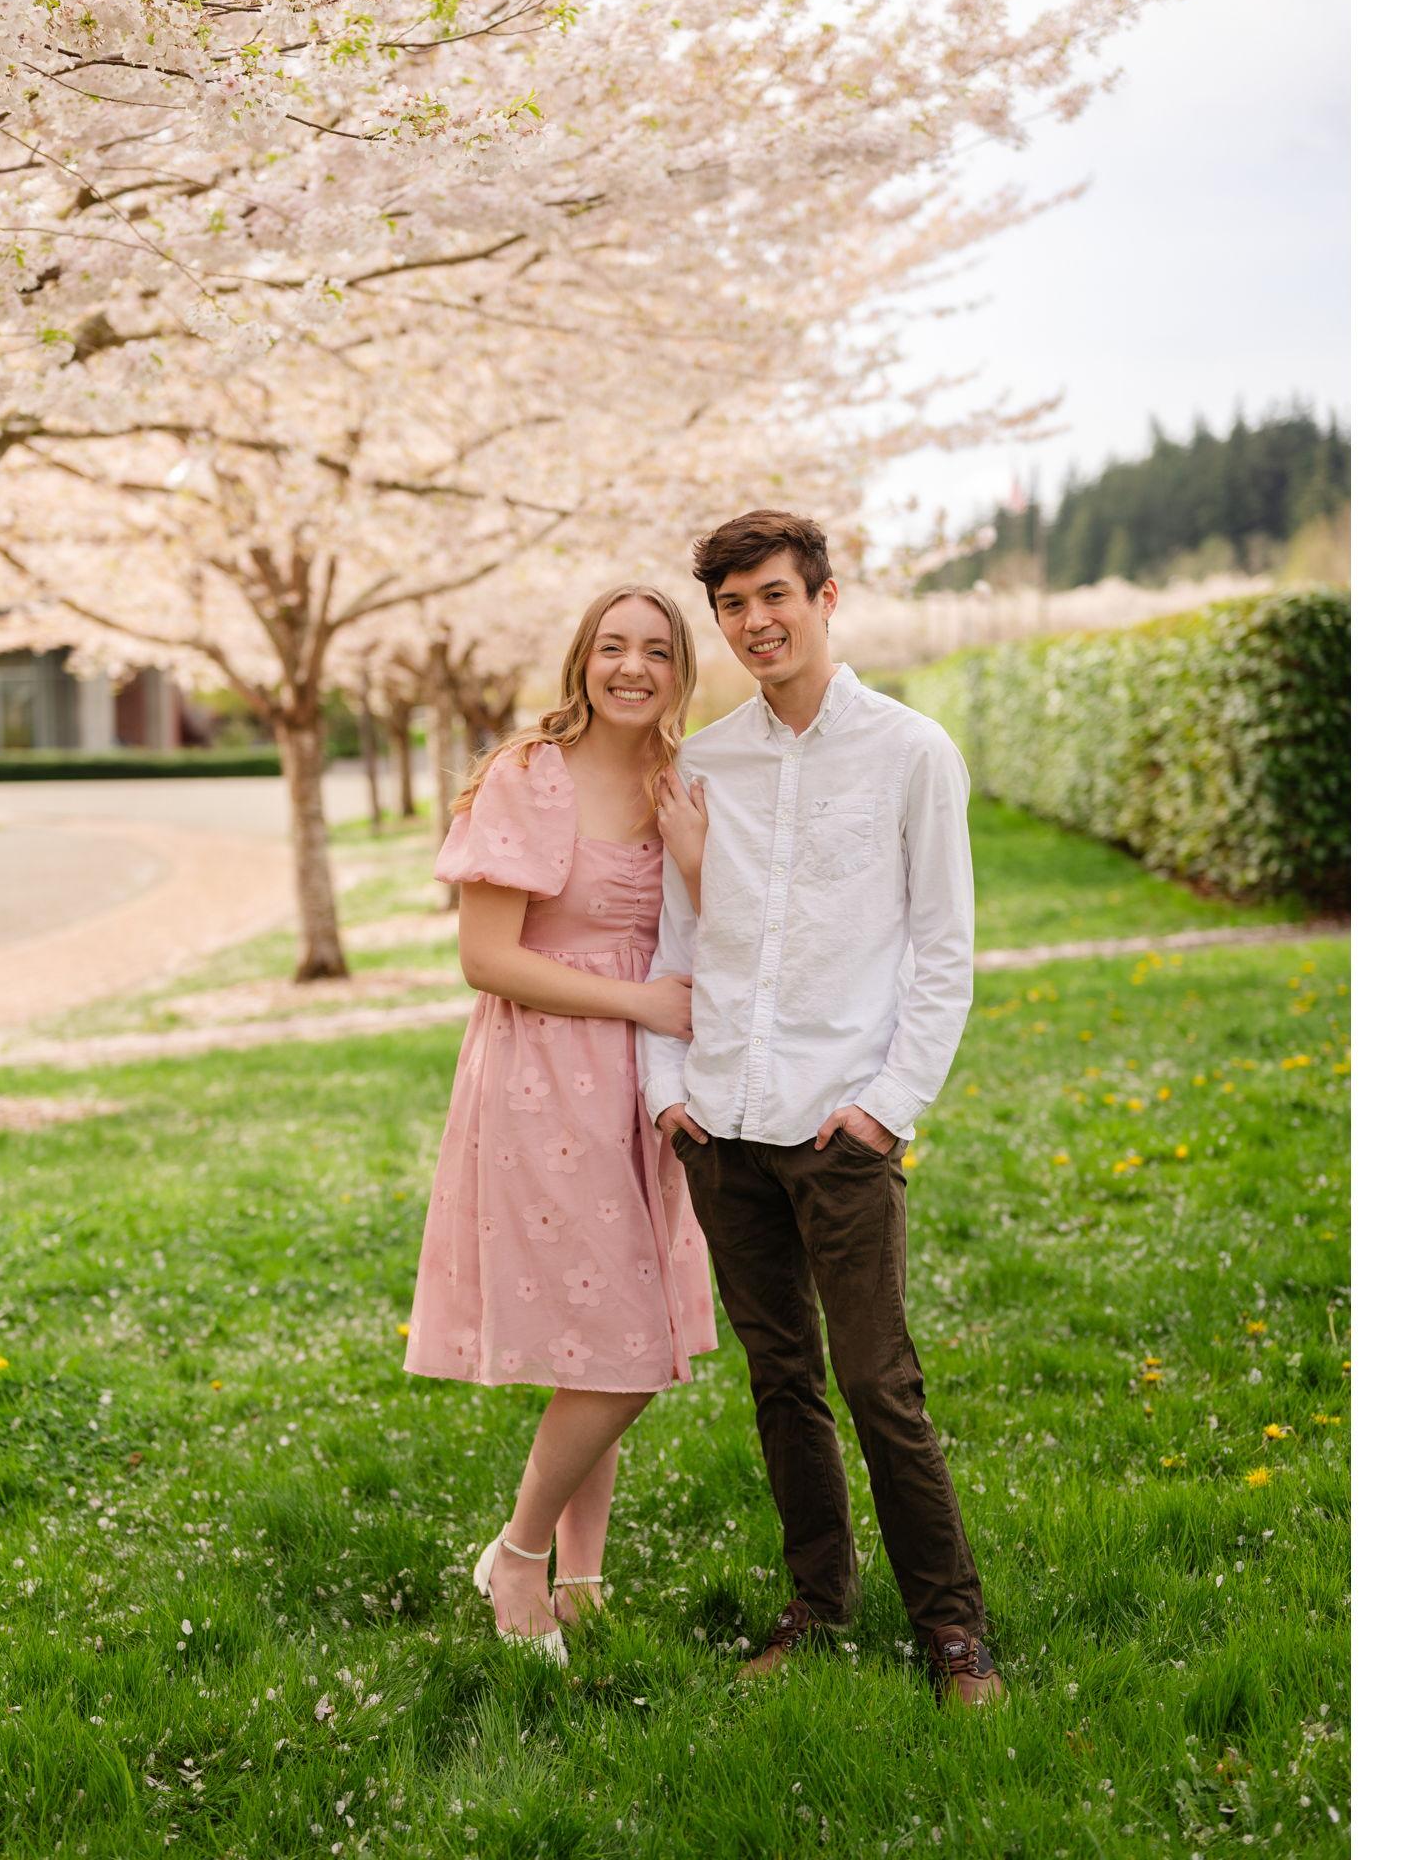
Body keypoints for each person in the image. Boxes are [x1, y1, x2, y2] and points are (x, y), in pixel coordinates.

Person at [638, 509, 1007, 1707]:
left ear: (825, 597)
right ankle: (817, 1597)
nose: (754, 622)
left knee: (877, 1380)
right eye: (732, 605)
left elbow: (943, 952)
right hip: (722, 1123)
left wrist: (888, 1106)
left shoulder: (911, 753)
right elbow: (676, 938)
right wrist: (666, 1096)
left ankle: (953, 1631)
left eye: (773, 597)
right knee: (777, 1376)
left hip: (839, 1122)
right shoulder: (703, 762)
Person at [402, 584, 719, 1664]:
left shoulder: (680, 781)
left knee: (604, 1335)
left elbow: (716, 930)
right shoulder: (524, 776)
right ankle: (520, 1555)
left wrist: (691, 860)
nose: (631, 668)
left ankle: (584, 1580)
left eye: (656, 651)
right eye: (611, 647)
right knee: (627, 1340)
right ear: (583, 659)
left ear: (680, 669)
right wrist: (637, 1003)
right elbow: (485, 958)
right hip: (542, 1077)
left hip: (644, 1085)